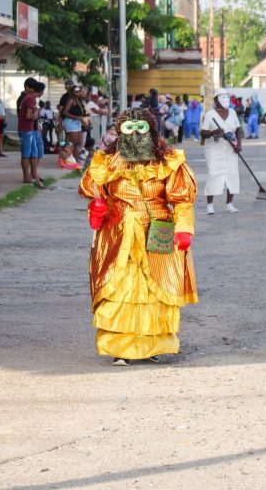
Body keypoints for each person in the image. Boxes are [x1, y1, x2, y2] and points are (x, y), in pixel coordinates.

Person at [79, 108, 198, 366]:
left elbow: (182, 201)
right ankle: (120, 349)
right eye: (128, 128)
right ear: (119, 132)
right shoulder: (105, 162)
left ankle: (151, 347)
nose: (134, 134)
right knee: (119, 288)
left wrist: (183, 229)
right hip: (116, 233)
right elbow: (95, 193)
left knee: (156, 289)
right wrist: (97, 209)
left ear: (151, 131)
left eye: (140, 128)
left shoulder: (169, 162)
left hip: (157, 231)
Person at [201, 89, 242, 215]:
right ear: (216, 99)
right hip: (214, 149)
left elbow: (238, 129)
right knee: (214, 174)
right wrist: (214, 132)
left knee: (232, 174)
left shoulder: (233, 112)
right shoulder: (210, 114)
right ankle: (210, 206)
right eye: (222, 97)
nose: (225, 100)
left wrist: (239, 145)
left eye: (226, 97)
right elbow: (203, 133)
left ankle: (229, 204)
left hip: (230, 147)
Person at [17, 78, 46, 188]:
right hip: (26, 130)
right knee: (26, 154)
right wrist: (36, 114)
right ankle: (26, 177)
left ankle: (34, 174)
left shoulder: (31, 99)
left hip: (30, 130)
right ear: (41, 91)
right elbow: (28, 116)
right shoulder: (30, 99)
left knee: (34, 153)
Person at [61, 85, 86, 161]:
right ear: (72, 92)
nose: (78, 93)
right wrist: (76, 117)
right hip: (71, 122)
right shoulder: (71, 100)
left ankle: (75, 160)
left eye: (79, 91)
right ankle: (67, 159)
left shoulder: (79, 101)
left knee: (78, 143)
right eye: (76, 91)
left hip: (77, 122)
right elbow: (64, 112)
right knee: (73, 143)